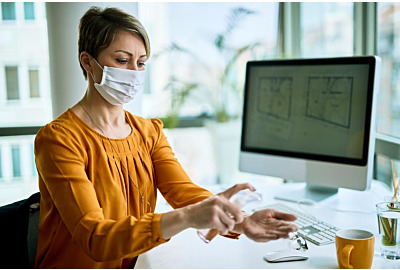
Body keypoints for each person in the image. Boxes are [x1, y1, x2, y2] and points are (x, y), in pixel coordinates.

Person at [34, 6, 298, 269]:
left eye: (141, 62)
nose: (134, 73)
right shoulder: (59, 140)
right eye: (122, 61)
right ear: (87, 61)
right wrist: (186, 218)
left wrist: (241, 220)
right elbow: (94, 237)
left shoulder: (149, 132)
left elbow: (183, 192)